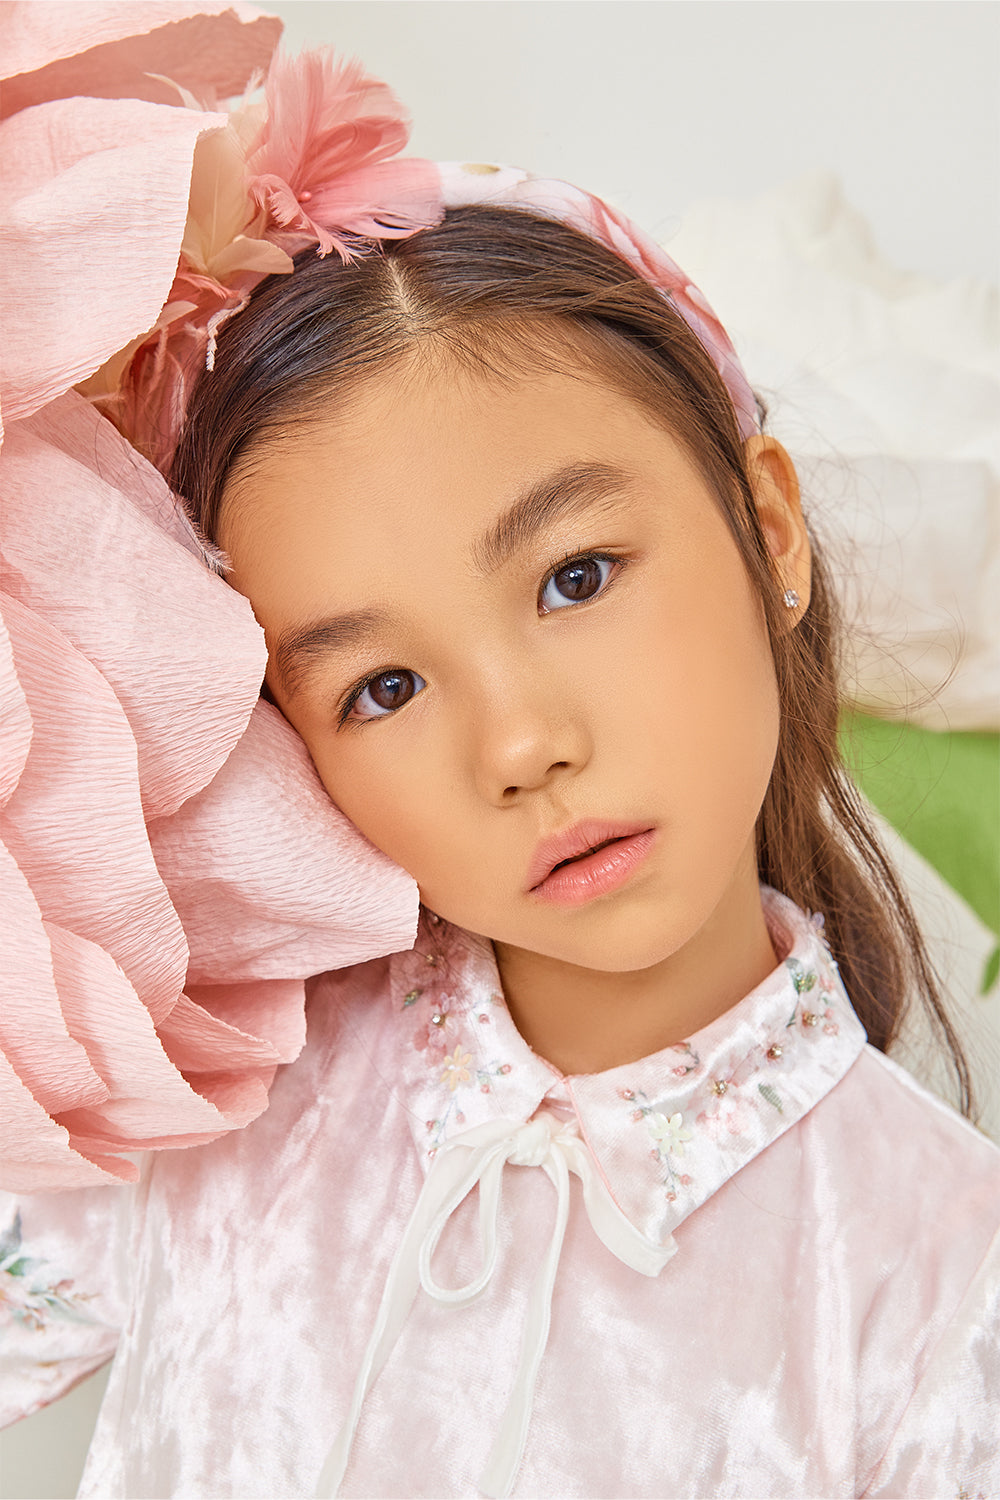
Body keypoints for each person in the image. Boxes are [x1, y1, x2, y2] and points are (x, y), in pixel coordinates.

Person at [1, 39, 998, 1500]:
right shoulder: (208, 1095)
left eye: (577, 577)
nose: (521, 746)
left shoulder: (941, 1280)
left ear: (768, 529)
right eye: (383, 687)